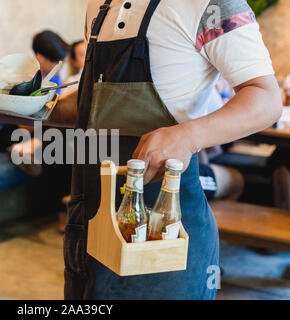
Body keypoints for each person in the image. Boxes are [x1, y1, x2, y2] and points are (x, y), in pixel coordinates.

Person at [47, 0, 282, 300]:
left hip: (164, 232)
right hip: (88, 225)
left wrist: (186, 136)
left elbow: (265, 98)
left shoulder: (212, 3)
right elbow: (93, 102)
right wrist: (27, 102)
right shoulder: (98, 5)